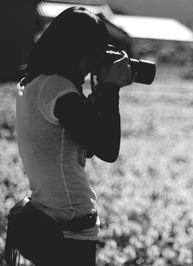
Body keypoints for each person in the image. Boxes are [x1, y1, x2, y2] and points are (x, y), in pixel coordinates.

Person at [7, 6, 133, 266]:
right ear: (80, 52)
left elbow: (85, 139)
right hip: (69, 229)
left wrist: (100, 93)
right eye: (94, 55)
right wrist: (111, 90)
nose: (91, 67)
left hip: (49, 217)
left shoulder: (34, 84)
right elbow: (108, 149)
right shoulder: (57, 89)